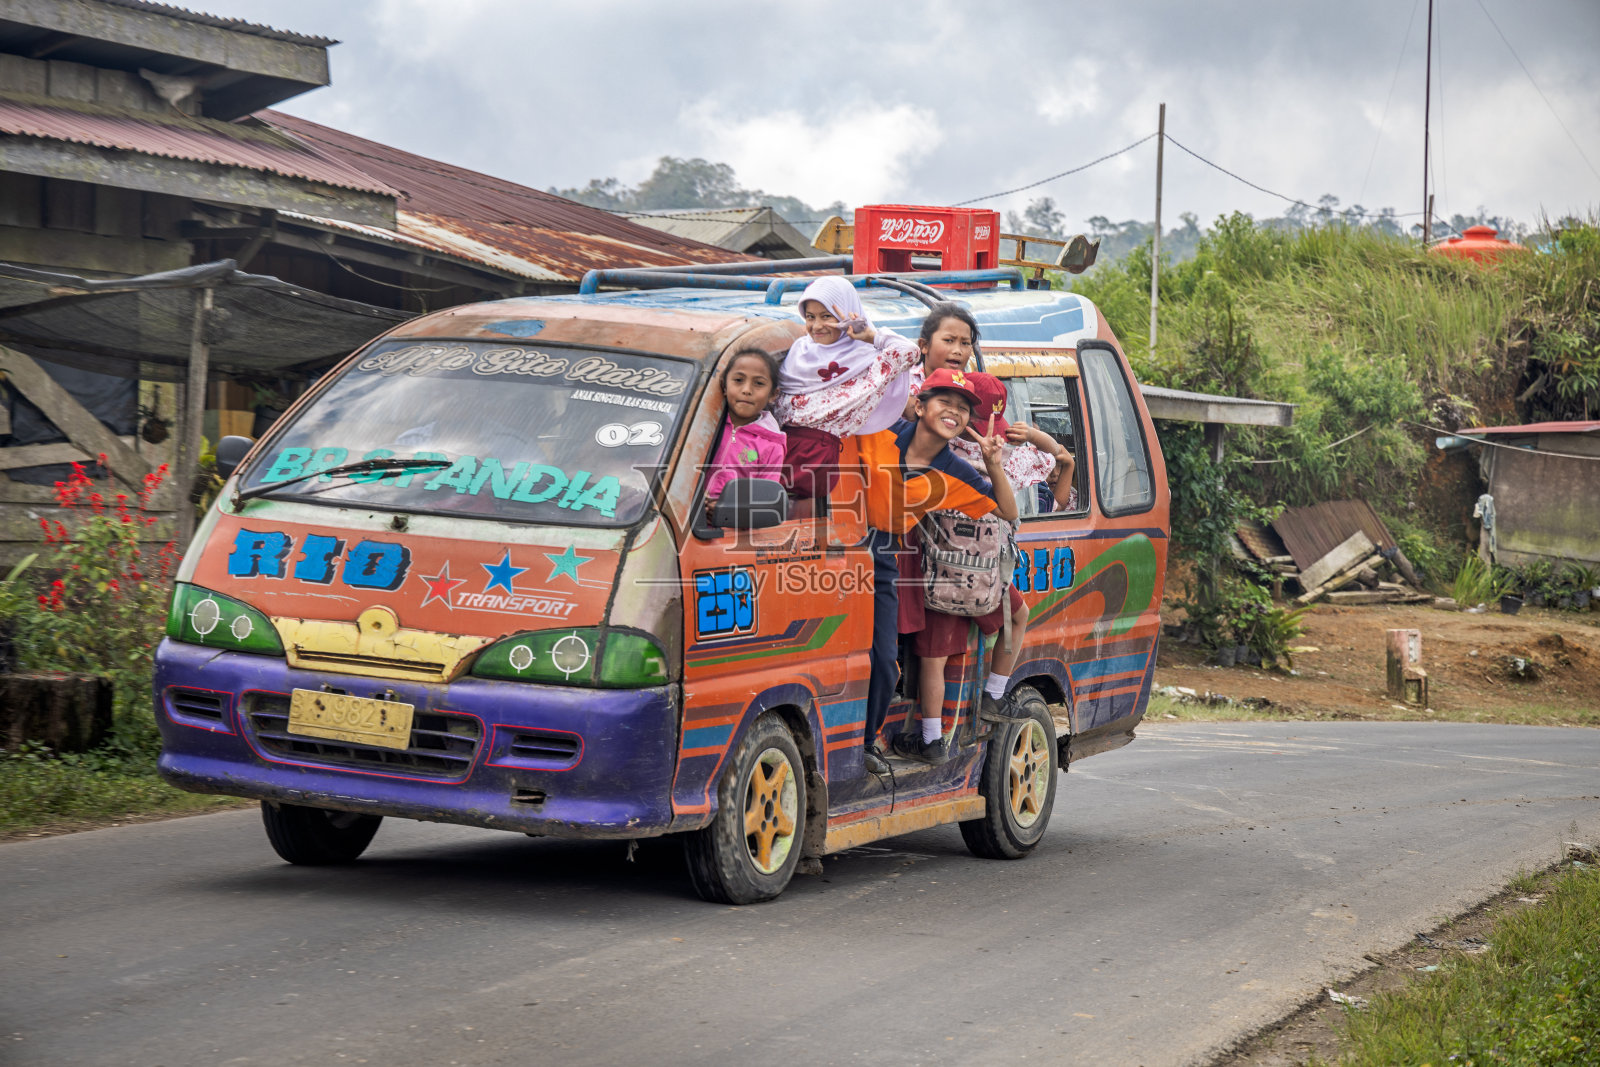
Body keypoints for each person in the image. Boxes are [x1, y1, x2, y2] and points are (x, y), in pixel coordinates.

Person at [851, 368, 1016, 776]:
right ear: (920, 406)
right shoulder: (879, 432)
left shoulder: (954, 471)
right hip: (842, 548)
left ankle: (867, 742)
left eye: (963, 408)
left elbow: (1007, 513)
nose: (954, 412)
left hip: (885, 557)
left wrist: (994, 464)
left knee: (886, 661)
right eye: (944, 402)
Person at [774, 277, 921, 503]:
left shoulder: (865, 364)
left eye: (826, 316)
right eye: (810, 317)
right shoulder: (798, 350)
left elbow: (909, 350)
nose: (816, 326)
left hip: (808, 471)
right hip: (769, 456)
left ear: (847, 315)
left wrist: (870, 336)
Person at [703, 347, 786, 513]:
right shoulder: (704, 423)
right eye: (738, 380)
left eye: (759, 383)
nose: (747, 390)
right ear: (724, 385)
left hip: (728, 533)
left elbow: (764, 504)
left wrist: (729, 511)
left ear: (773, 395)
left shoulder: (771, 446)